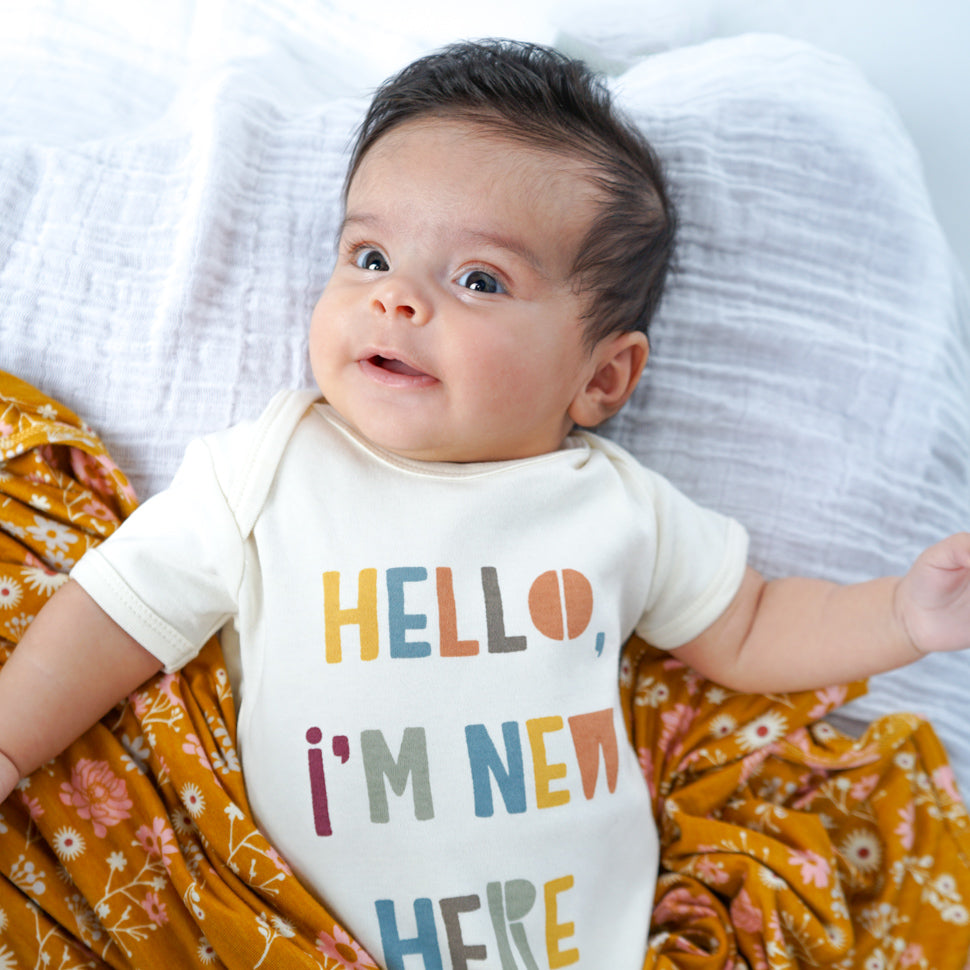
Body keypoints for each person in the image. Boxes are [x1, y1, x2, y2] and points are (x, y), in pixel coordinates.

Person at [1, 38, 968, 970]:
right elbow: (116, 609)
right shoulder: (269, 469)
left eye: (478, 279)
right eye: (370, 257)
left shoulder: (617, 508)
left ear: (603, 376)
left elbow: (752, 625)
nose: (397, 300)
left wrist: (901, 615)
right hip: (294, 934)